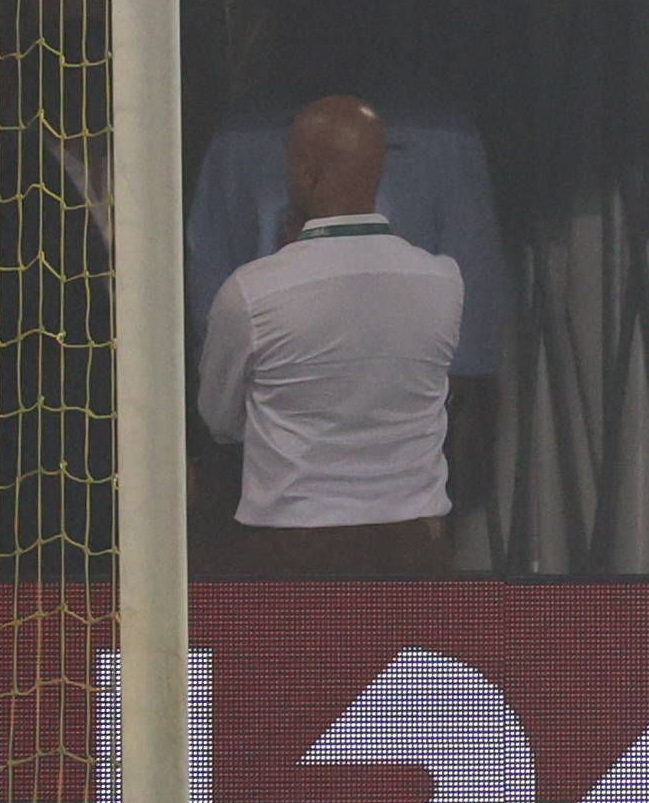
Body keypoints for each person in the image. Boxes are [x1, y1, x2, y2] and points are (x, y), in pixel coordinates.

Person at [190, 93, 476, 579]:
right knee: (407, 658)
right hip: (413, 548)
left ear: (303, 172)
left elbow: (219, 419)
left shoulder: (252, 293)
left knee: (300, 660)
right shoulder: (444, 281)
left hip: (292, 553)